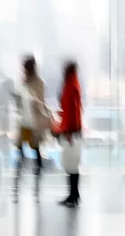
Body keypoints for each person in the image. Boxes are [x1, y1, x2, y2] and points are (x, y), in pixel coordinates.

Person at [13, 56, 51, 202]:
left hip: (34, 125)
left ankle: (36, 191)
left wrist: (34, 101)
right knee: (20, 156)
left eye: (25, 67)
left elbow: (41, 103)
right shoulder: (22, 82)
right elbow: (19, 103)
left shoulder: (39, 83)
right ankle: (16, 190)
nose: (24, 70)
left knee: (36, 157)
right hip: (23, 124)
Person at [55, 61, 83, 207]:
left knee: (71, 164)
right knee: (71, 164)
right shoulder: (71, 85)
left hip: (71, 132)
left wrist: (69, 130)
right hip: (71, 131)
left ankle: (73, 195)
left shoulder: (71, 87)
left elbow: (74, 112)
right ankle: (73, 194)